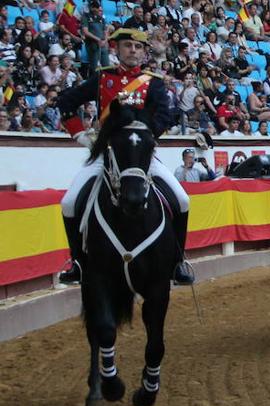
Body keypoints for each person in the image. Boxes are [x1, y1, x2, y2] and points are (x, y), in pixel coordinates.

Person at [56, 28, 195, 285]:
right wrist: (80, 135)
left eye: (137, 47)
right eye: (128, 45)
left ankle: (177, 261)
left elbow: (165, 115)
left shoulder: (152, 83)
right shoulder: (101, 80)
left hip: (141, 158)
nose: (133, 50)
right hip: (106, 153)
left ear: (144, 52)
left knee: (182, 200)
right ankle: (76, 262)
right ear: (116, 49)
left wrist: (143, 137)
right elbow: (65, 102)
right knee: (69, 202)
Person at [82, 1, 109, 75]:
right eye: (95, 8)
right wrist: (98, 39)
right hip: (92, 45)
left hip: (103, 45)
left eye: (98, 8)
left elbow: (106, 31)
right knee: (95, 68)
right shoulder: (86, 17)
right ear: (91, 8)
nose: (97, 10)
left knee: (107, 66)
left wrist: (105, 40)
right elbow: (85, 32)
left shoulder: (101, 18)